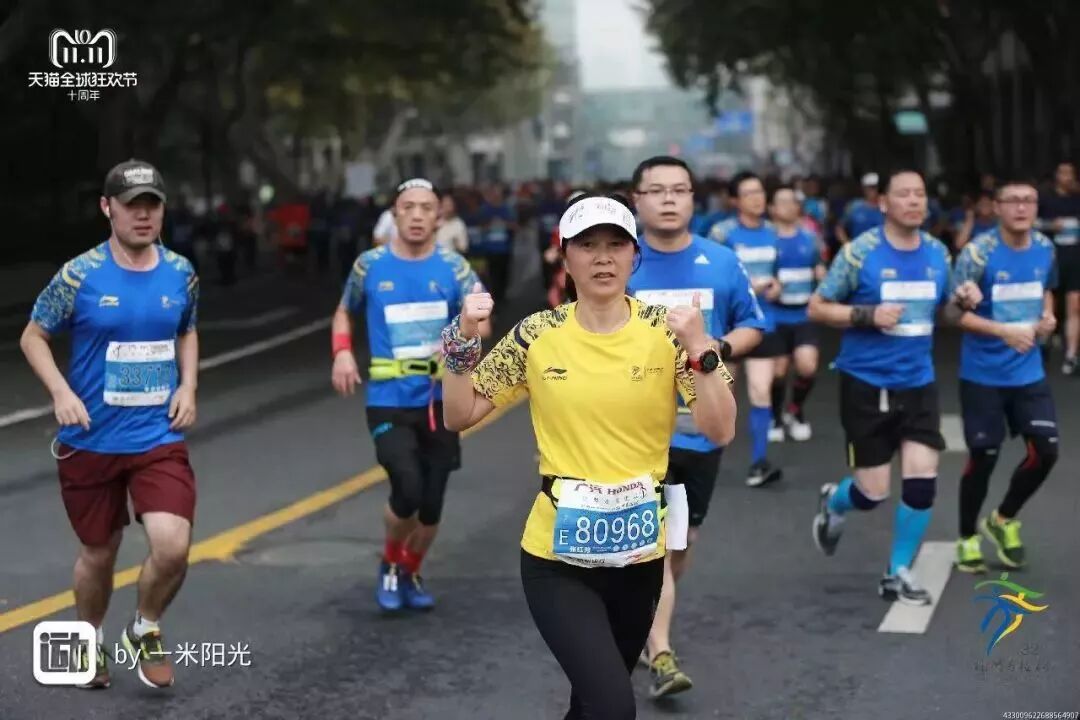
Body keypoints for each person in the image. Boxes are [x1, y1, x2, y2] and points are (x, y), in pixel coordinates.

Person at [441, 192, 737, 720]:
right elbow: (459, 414)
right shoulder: (536, 335)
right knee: (613, 706)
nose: (602, 258)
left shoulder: (668, 333)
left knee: (593, 705)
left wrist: (700, 349)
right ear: (565, 256)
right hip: (557, 557)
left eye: (616, 245)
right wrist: (462, 340)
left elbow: (720, 429)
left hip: (639, 555)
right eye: (587, 245)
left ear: (634, 256)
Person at [19, 159, 200, 689]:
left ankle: (144, 626)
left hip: (157, 436)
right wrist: (61, 392)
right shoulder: (79, 275)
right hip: (90, 440)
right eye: (132, 205)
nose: (143, 215)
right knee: (100, 553)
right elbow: (33, 336)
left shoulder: (181, 273)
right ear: (107, 208)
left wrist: (188, 385)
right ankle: (88, 641)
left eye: (152, 205)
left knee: (172, 546)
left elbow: (187, 329)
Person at [808, 169, 982, 605]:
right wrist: (867, 315)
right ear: (883, 203)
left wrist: (961, 303)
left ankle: (897, 571)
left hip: (918, 382)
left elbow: (944, 316)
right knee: (873, 492)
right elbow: (818, 307)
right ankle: (835, 503)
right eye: (903, 194)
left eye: (920, 194)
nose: (914, 201)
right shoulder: (860, 253)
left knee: (922, 478)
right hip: (866, 383)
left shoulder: (938, 253)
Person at [627, 156, 765, 698]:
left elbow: (753, 325)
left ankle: (646, 619)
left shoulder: (722, 261)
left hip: (701, 428)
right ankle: (660, 651)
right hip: (633, 434)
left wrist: (714, 348)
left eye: (679, 190)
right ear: (636, 200)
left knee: (679, 545)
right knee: (650, 542)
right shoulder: (619, 263)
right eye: (656, 190)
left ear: (693, 199)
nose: (668, 199)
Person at [330, 178, 489, 612]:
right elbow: (344, 312)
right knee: (408, 486)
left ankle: (410, 569)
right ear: (394, 214)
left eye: (426, 208)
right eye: (408, 207)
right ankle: (390, 562)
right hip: (389, 400)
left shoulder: (455, 268)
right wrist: (342, 353)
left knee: (431, 504)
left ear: (439, 216)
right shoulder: (369, 266)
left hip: (441, 401)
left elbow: (482, 318)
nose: (417, 215)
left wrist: (459, 336)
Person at [951, 179, 1059, 572]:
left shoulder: (1045, 248)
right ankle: (967, 537)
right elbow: (953, 314)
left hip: (1028, 373)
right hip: (983, 374)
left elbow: (1046, 290)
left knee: (1046, 452)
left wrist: (1048, 318)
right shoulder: (977, 254)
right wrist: (1003, 331)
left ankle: (1002, 519)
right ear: (996, 207)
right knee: (984, 455)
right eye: (1012, 201)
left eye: (1029, 201)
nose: (1021, 208)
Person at [712, 171, 784, 487]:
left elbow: (781, 270)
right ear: (734, 200)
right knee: (721, 394)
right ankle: (705, 460)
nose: (757, 198)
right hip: (728, 327)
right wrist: (743, 286)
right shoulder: (721, 234)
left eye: (760, 192)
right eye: (749, 193)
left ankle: (759, 462)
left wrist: (777, 285)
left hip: (762, 321)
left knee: (760, 390)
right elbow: (710, 275)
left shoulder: (774, 232)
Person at [767, 185, 826, 442]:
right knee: (778, 371)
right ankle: (775, 417)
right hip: (775, 315)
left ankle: (795, 410)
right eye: (782, 201)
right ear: (772, 208)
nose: (789, 206)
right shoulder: (766, 240)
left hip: (804, 314)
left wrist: (821, 279)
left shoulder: (811, 238)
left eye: (793, 201)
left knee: (807, 366)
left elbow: (820, 268)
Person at [1036, 161, 1080, 375]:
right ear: (1056, 175)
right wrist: (1049, 225)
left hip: (1075, 258)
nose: (1067, 177)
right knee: (1048, 303)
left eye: (1070, 173)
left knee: (1075, 306)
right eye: (1063, 172)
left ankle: (1071, 355)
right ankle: (1044, 341)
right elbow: (1031, 223)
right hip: (1050, 257)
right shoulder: (1045, 199)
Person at [836, 172, 885, 246]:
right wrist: (848, 245)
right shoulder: (854, 206)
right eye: (870, 187)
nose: (873, 190)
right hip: (858, 250)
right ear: (864, 188)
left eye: (875, 187)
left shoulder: (886, 207)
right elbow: (839, 228)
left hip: (881, 250)